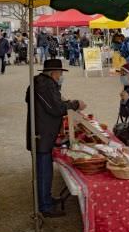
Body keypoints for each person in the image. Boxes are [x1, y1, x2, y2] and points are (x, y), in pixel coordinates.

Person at [26, 59, 86, 217]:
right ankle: (45, 206)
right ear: (53, 73)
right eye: (60, 73)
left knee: (45, 170)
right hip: (42, 135)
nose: (60, 76)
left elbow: (53, 104)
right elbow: (56, 108)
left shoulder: (43, 83)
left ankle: (46, 199)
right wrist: (75, 104)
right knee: (44, 172)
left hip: (43, 133)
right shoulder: (44, 85)